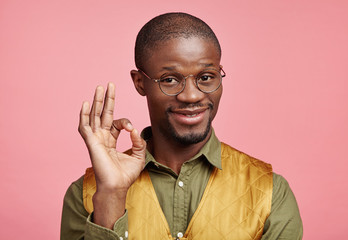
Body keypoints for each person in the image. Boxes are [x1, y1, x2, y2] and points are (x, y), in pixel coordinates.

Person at [61, 12, 303, 240]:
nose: (191, 96)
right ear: (139, 83)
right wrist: (111, 195)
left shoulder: (271, 192)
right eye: (170, 79)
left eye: (206, 77)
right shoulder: (86, 194)